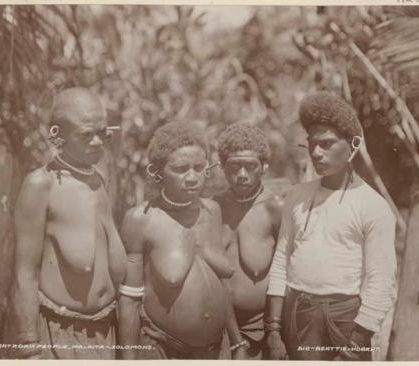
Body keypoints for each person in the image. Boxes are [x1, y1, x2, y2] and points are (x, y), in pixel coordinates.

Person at [266, 91, 397, 361]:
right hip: (297, 314)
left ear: (353, 144)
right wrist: (274, 330)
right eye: (311, 144)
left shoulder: (373, 206)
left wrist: (357, 342)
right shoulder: (296, 197)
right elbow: (281, 261)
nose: (316, 152)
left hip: (345, 321)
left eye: (326, 144)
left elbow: (381, 281)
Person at [10, 87, 127, 359]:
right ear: (56, 135)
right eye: (87, 134)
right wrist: (30, 350)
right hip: (62, 338)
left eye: (102, 132)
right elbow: (24, 273)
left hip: (107, 333)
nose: (98, 142)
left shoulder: (98, 179)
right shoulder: (40, 185)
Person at [118, 121, 248, 360]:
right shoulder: (141, 219)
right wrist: (127, 360)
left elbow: (221, 284)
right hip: (164, 349)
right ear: (156, 171)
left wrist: (237, 342)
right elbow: (129, 299)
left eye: (199, 168)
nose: (192, 178)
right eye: (180, 169)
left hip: (216, 349)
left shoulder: (211, 211)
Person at [213, 123, 284, 359]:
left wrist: (276, 333)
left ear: (264, 166)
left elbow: (288, 271)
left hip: (263, 332)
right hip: (217, 330)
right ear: (222, 167)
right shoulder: (214, 208)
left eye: (250, 166)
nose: (242, 174)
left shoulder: (274, 209)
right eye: (234, 166)